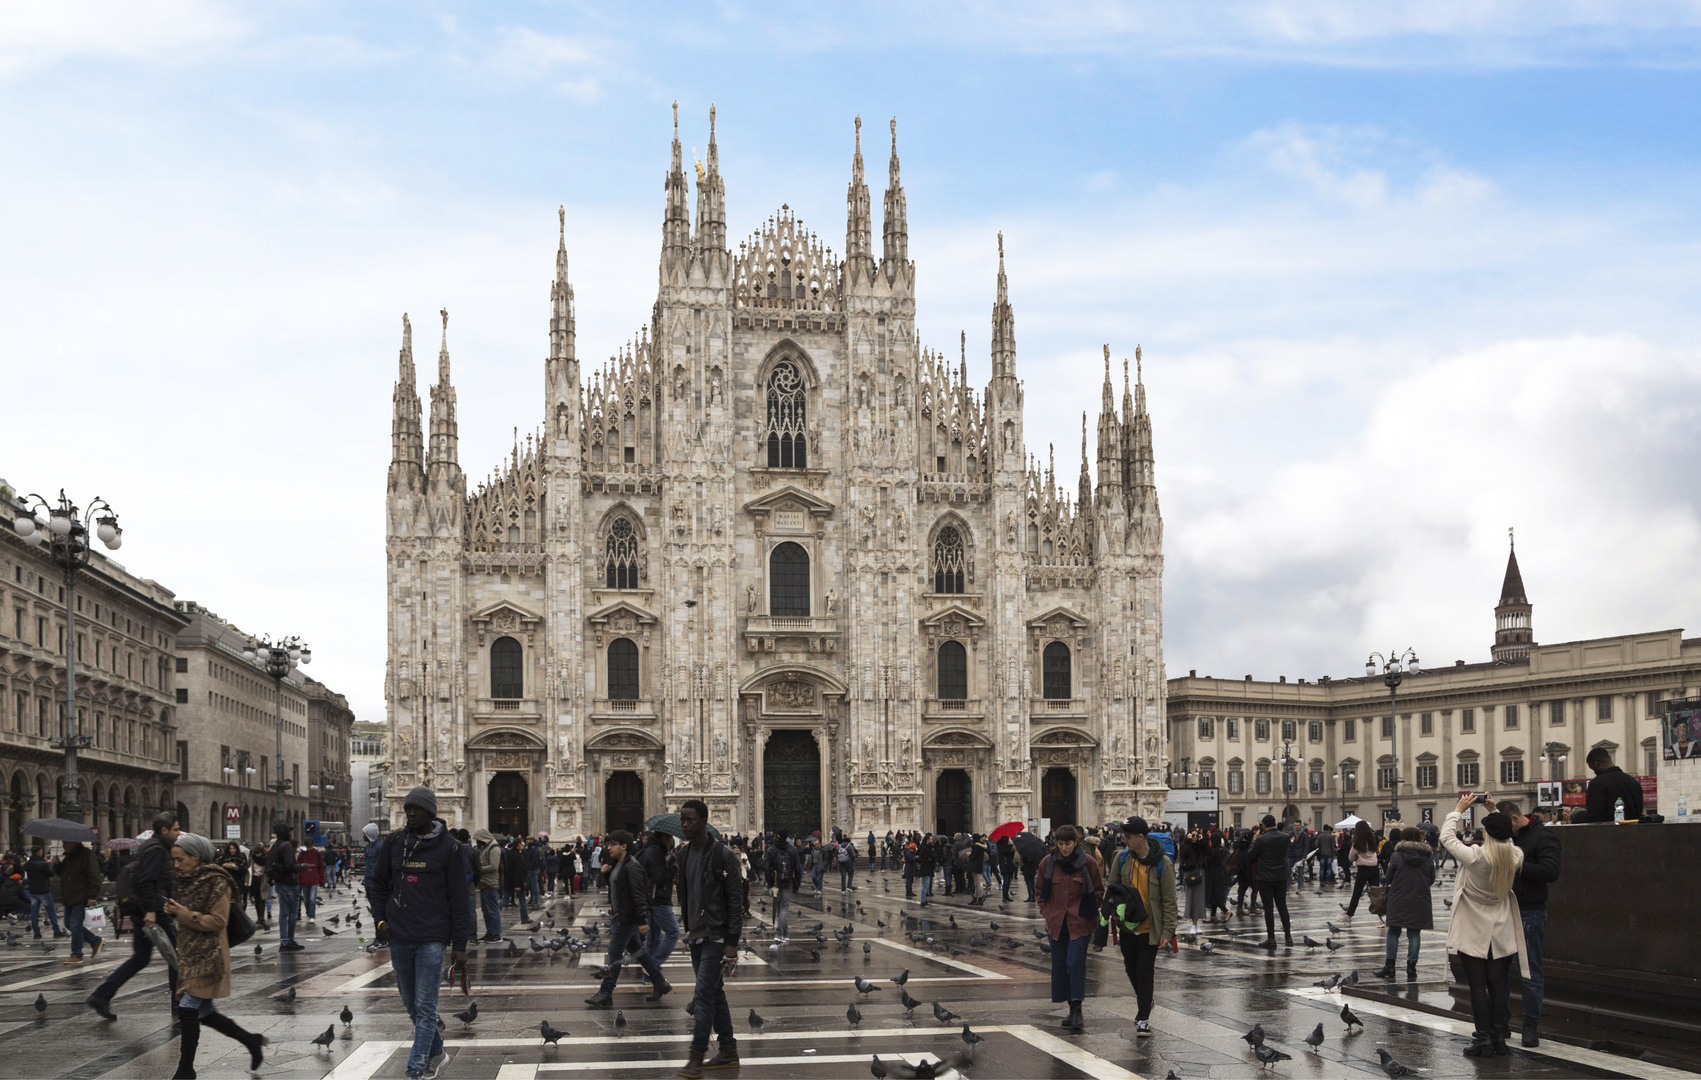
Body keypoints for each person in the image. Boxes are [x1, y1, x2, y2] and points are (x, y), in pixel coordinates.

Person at [368, 786, 472, 1080]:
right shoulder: (394, 843)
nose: (411, 813)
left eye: (417, 808)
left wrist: (460, 943)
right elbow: (378, 884)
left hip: (432, 937)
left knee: (426, 1007)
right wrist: (380, 921)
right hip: (399, 935)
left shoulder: (450, 848)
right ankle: (437, 1052)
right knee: (411, 1004)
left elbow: (459, 899)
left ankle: (415, 1069)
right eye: (408, 808)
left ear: (431, 812)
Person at [163, 832, 266, 1078]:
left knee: (187, 1008)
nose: (176, 865)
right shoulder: (188, 879)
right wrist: (174, 912)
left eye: (181, 859)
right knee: (205, 1012)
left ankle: (185, 1070)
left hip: (210, 956)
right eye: (174, 860)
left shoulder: (217, 881)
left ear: (196, 857)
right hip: (191, 954)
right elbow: (189, 915)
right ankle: (251, 1041)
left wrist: (183, 914)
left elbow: (219, 921)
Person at [1443, 794, 1528, 1058]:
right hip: (1500, 928)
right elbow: (1507, 840)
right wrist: (1493, 810)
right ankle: (1498, 1037)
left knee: (1477, 986)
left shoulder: (1476, 857)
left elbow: (1446, 838)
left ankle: (1482, 1039)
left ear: (1487, 834)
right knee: (1498, 985)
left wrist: (1457, 810)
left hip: (1473, 927)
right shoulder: (1515, 855)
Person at [88, 810, 181, 1021]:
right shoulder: (156, 849)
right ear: (164, 830)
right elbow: (145, 881)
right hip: (154, 911)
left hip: (150, 909)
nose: (178, 833)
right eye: (175, 829)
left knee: (140, 958)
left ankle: (101, 995)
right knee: (177, 956)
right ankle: (180, 1003)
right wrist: (151, 910)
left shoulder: (154, 847)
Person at [675, 799, 744, 1079]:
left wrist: (732, 941)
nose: (685, 824)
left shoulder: (722, 855)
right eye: (682, 820)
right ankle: (727, 1050)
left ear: (704, 821)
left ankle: (695, 1057)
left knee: (702, 996)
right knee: (715, 994)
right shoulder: (683, 854)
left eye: (689, 819)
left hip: (716, 937)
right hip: (696, 935)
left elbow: (735, 900)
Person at [1494, 799, 1561, 1047]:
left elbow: (1551, 871)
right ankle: (1501, 1023)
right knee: (1498, 971)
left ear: (1514, 819)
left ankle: (1530, 1025)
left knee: (1530, 972)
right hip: (1501, 910)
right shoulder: (1504, 838)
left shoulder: (1544, 837)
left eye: (1504, 827)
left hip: (1529, 911)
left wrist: (1515, 862)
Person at [1107, 816, 1176, 1037]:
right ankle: (1146, 1000)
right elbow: (1112, 887)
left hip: (1151, 928)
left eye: (1127, 837)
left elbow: (1169, 900)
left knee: (1144, 971)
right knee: (1131, 969)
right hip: (1127, 926)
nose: (1123, 840)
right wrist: (1113, 911)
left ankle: (1143, 1017)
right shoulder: (1122, 858)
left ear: (1140, 837)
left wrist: (1168, 931)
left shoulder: (1162, 863)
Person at [586, 829, 670, 1006]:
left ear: (623, 846)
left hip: (625, 918)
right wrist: (607, 874)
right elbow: (619, 888)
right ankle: (659, 982)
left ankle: (606, 992)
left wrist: (641, 921)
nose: (608, 847)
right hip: (622, 915)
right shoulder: (619, 865)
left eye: (612, 844)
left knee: (615, 955)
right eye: (608, 844)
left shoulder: (632, 866)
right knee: (639, 952)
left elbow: (639, 895)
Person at [1036, 825, 1103, 1032]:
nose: (1064, 848)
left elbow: (1099, 890)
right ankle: (1070, 1008)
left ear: (1076, 842)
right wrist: (1047, 912)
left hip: (1079, 922)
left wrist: (1088, 911)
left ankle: (1077, 1008)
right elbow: (1039, 891)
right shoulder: (1048, 863)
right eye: (1060, 843)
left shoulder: (1088, 863)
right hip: (1056, 922)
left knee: (1074, 962)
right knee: (1060, 966)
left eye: (1068, 843)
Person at [1376, 827, 1435, 980]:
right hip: (1420, 899)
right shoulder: (1428, 857)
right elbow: (1432, 879)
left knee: (1393, 932)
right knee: (1414, 933)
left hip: (1398, 898)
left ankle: (1390, 967)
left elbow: (1388, 878)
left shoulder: (1396, 856)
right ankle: (1411, 968)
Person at [56, 839, 105, 965]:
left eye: (66, 842)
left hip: (81, 896)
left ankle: (76, 954)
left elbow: (95, 876)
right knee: (68, 923)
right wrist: (56, 863)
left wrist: (92, 895)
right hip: (70, 897)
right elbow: (62, 873)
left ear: (74, 843)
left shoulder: (87, 855)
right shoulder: (69, 857)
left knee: (75, 925)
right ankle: (95, 940)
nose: (63, 844)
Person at [641, 829, 683, 974]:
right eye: (671, 836)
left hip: (651, 899)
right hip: (658, 899)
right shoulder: (656, 852)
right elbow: (659, 876)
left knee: (653, 939)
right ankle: (653, 966)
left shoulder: (650, 850)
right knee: (673, 932)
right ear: (665, 838)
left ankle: (649, 978)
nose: (672, 839)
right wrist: (673, 868)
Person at [1248, 815, 1293, 947]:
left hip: (1265, 877)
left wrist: (1254, 840)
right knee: (1282, 907)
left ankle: (1271, 938)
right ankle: (1288, 936)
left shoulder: (1261, 839)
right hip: (1281, 876)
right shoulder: (1285, 837)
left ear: (1264, 825)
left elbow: (1250, 854)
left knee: (1268, 908)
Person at [1569, 748, 1644, 822]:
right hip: (1634, 831)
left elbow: (1595, 816)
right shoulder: (1633, 781)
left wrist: (1578, 814)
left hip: (1609, 832)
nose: (1594, 773)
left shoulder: (1597, 784)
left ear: (1596, 763)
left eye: (1593, 769)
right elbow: (1639, 811)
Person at [266, 823, 303, 951]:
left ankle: (284, 942)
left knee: (283, 912)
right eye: (289, 831)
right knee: (293, 912)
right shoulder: (287, 845)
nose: (290, 833)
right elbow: (289, 866)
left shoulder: (276, 845)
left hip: (279, 882)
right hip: (289, 882)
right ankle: (290, 940)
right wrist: (301, 866)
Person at [766, 829, 801, 944]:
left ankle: (779, 934)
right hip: (787, 882)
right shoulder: (793, 850)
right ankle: (785, 934)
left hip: (776, 883)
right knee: (783, 908)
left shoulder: (771, 850)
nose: (774, 838)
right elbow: (798, 869)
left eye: (776, 836)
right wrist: (797, 884)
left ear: (779, 837)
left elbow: (767, 869)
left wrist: (770, 884)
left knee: (780, 908)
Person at [1342, 821, 1380, 920]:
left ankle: (1349, 915)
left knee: (1357, 893)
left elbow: (1350, 857)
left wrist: (1356, 858)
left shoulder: (1358, 842)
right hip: (1374, 869)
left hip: (1363, 869)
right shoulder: (1373, 840)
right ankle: (1383, 916)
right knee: (1375, 894)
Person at [471, 829, 504, 941]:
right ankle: (490, 932)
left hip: (490, 883)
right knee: (486, 910)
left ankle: (496, 934)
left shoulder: (494, 847)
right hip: (484, 883)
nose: (477, 842)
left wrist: (478, 869)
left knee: (493, 910)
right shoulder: (486, 847)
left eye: (478, 840)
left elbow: (494, 866)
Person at [24, 847, 64, 938]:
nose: (42, 852)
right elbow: (51, 874)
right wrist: (51, 864)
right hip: (43, 890)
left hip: (33, 890)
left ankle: (36, 932)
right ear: (38, 852)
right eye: (41, 851)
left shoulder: (27, 864)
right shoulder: (43, 864)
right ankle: (56, 930)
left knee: (34, 912)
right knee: (51, 911)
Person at [1178, 827, 1209, 935]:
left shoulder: (1200, 846)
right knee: (1190, 898)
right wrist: (1190, 842)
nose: (1195, 837)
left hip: (1200, 873)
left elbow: (1208, 852)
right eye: (1193, 835)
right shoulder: (1185, 846)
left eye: (1197, 835)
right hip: (1189, 873)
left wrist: (1202, 840)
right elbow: (1184, 856)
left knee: (1199, 899)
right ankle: (1193, 924)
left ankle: (1196, 923)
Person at [297, 841, 324, 926]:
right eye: (308, 846)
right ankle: (309, 913)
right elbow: (297, 868)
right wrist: (298, 879)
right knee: (305, 900)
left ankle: (311, 916)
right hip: (304, 880)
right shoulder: (301, 855)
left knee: (312, 899)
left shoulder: (317, 854)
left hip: (314, 880)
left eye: (310, 846)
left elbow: (321, 867)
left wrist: (322, 880)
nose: (309, 848)